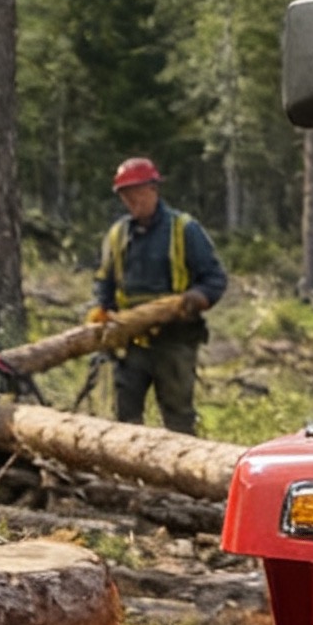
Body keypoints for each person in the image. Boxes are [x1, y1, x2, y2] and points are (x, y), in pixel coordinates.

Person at [89, 157, 226, 435]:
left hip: (175, 341)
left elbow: (215, 279)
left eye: (136, 192)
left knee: (178, 418)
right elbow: (105, 282)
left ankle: (184, 474)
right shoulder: (117, 235)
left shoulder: (184, 229)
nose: (131, 200)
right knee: (126, 419)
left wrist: (195, 298)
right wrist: (102, 310)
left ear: (153, 189)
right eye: (125, 195)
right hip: (132, 343)